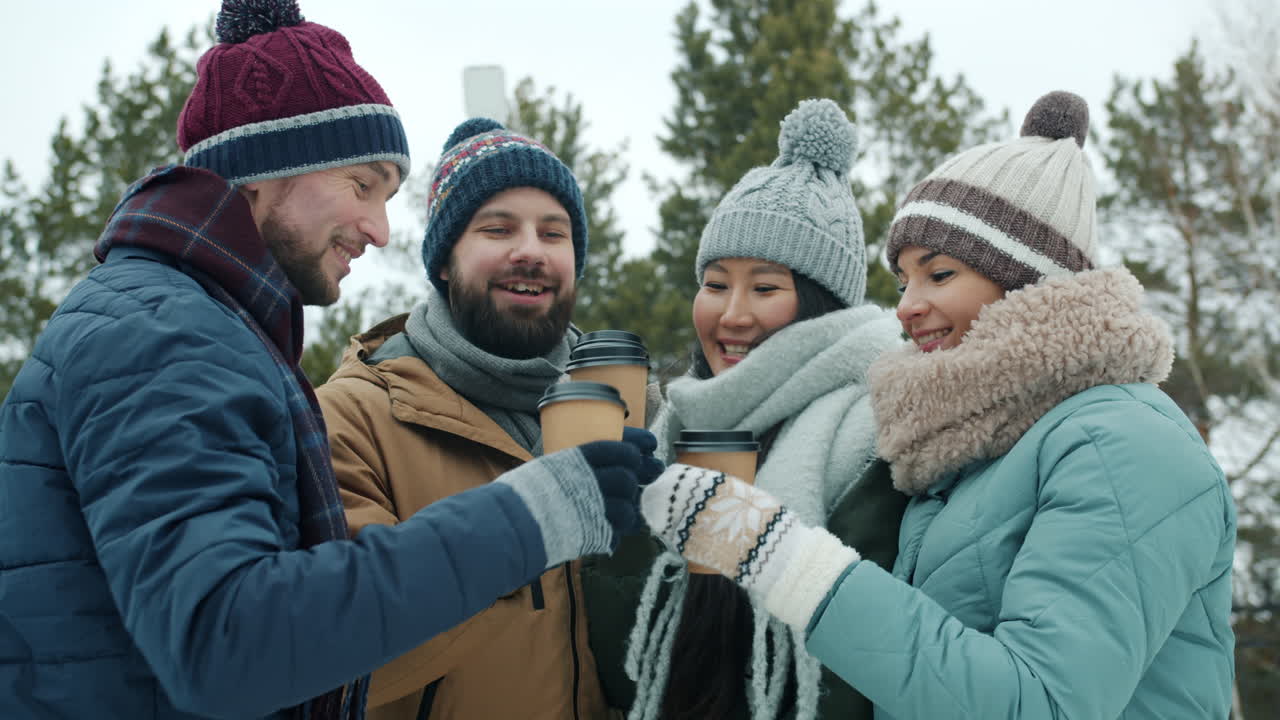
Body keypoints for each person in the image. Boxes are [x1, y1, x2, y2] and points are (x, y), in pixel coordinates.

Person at [0, 2, 654, 718]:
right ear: (264, 172)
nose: (378, 229)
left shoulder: (193, 325)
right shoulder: (166, 334)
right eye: (361, 184)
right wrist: (532, 516)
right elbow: (226, 643)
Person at [638, 91, 1237, 719]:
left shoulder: (1125, 444)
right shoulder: (970, 445)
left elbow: (1040, 703)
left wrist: (786, 558)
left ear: (1028, 278)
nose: (906, 306)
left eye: (939, 275)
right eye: (903, 280)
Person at [314, 116, 661, 720]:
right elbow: (331, 652)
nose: (530, 251)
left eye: (554, 234)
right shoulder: (352, 418)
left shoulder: (637, 412)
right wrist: (519, 537)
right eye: (497, 229)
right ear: (445, 262)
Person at [583, 99, 908, 720]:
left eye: (764, 287)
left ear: (820, 305)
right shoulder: (670, 432)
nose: (731, 314)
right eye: (714, 283)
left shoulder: (878, 437)